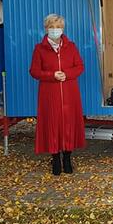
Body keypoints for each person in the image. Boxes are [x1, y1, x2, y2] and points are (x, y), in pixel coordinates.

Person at [30, 14, 86, 176]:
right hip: (49, 94)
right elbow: (34, 71)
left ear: (63, 29)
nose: (55, 30)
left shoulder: (71, 46)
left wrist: (66, 74)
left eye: (58, 27)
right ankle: (55, 158)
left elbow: (79, 66)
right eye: (52, 27)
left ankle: (67, 157)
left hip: (69, 92)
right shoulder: (39, 49)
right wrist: (51, 75)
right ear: (46, 28)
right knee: (53, 123)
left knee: (68, 123)